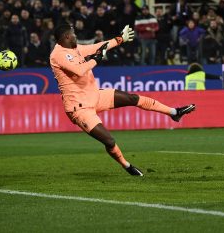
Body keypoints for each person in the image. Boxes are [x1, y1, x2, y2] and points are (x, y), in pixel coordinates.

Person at [49, 24, 195, 176]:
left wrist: (120, 39)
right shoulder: (57, 55)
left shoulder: (75, 49)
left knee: (132, 98)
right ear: (66, 36)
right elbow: (79, 71)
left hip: (95, 95)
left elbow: (99, 46)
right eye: (73, 34)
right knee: (109, 141)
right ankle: (127, 165)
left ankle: (174, 112)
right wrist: (96, 59)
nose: (75, 36)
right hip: (79, 108)